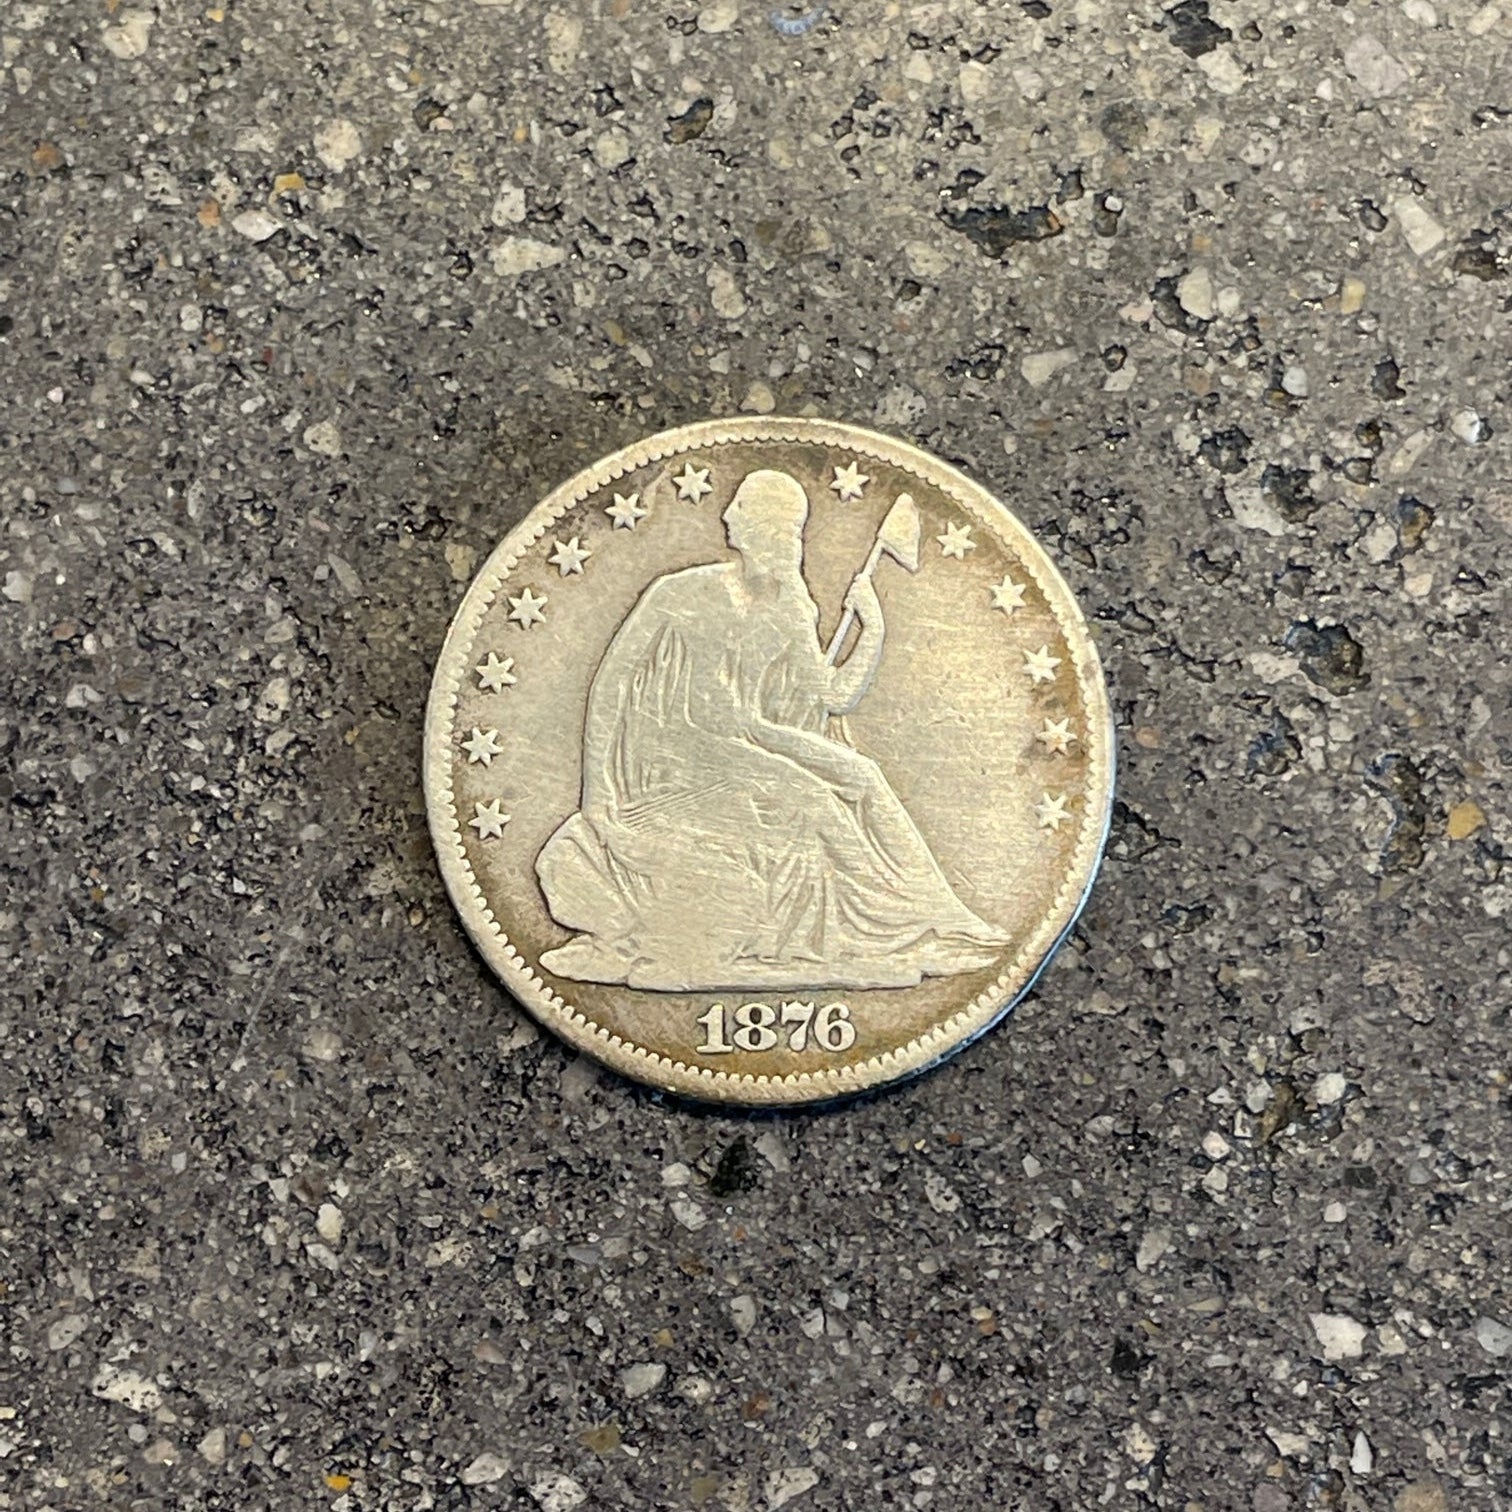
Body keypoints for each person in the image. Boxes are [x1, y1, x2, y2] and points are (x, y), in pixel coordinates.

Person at [535, 468, 1009, 990]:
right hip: (681, 752)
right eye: (735, 509)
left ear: (769, 529)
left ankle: (937, 916)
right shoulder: (681, 592)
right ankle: (885, 929)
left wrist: (871, 629)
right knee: (814, 798)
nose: (727, 516)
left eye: (741, 510)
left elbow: (834, 697)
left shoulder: (791, 607)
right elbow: (612, 685)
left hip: (749, 737)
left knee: (864, 774)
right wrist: (597, 794)